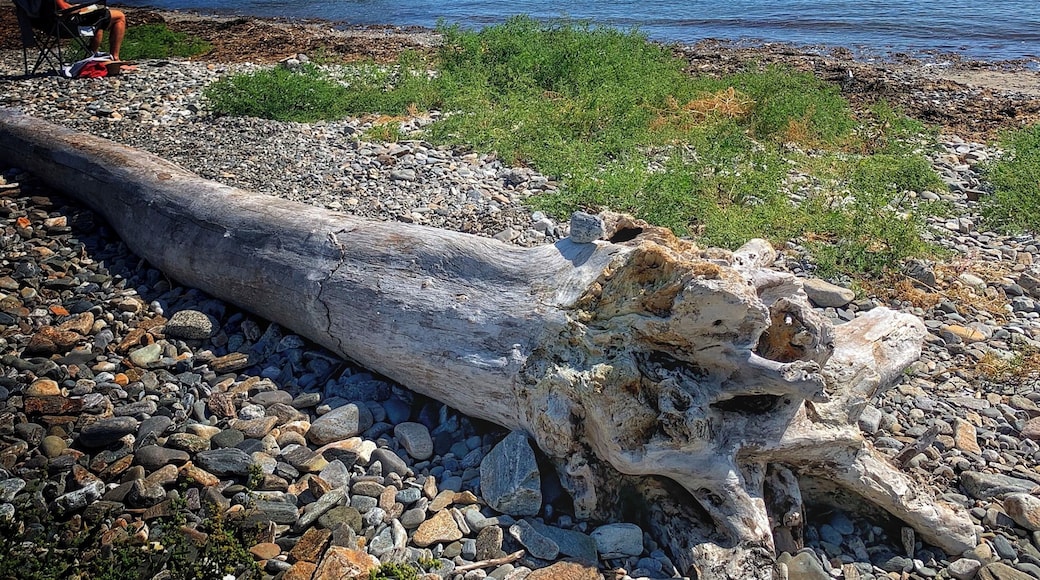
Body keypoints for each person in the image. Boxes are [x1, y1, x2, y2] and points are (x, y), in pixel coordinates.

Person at [54, 0, 126, 61]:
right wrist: (81, 8)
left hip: (50, 26)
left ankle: (92, 56)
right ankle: (115, 58)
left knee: (98, 17)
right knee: (119, 16)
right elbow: (65, 8)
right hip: (64, 27)